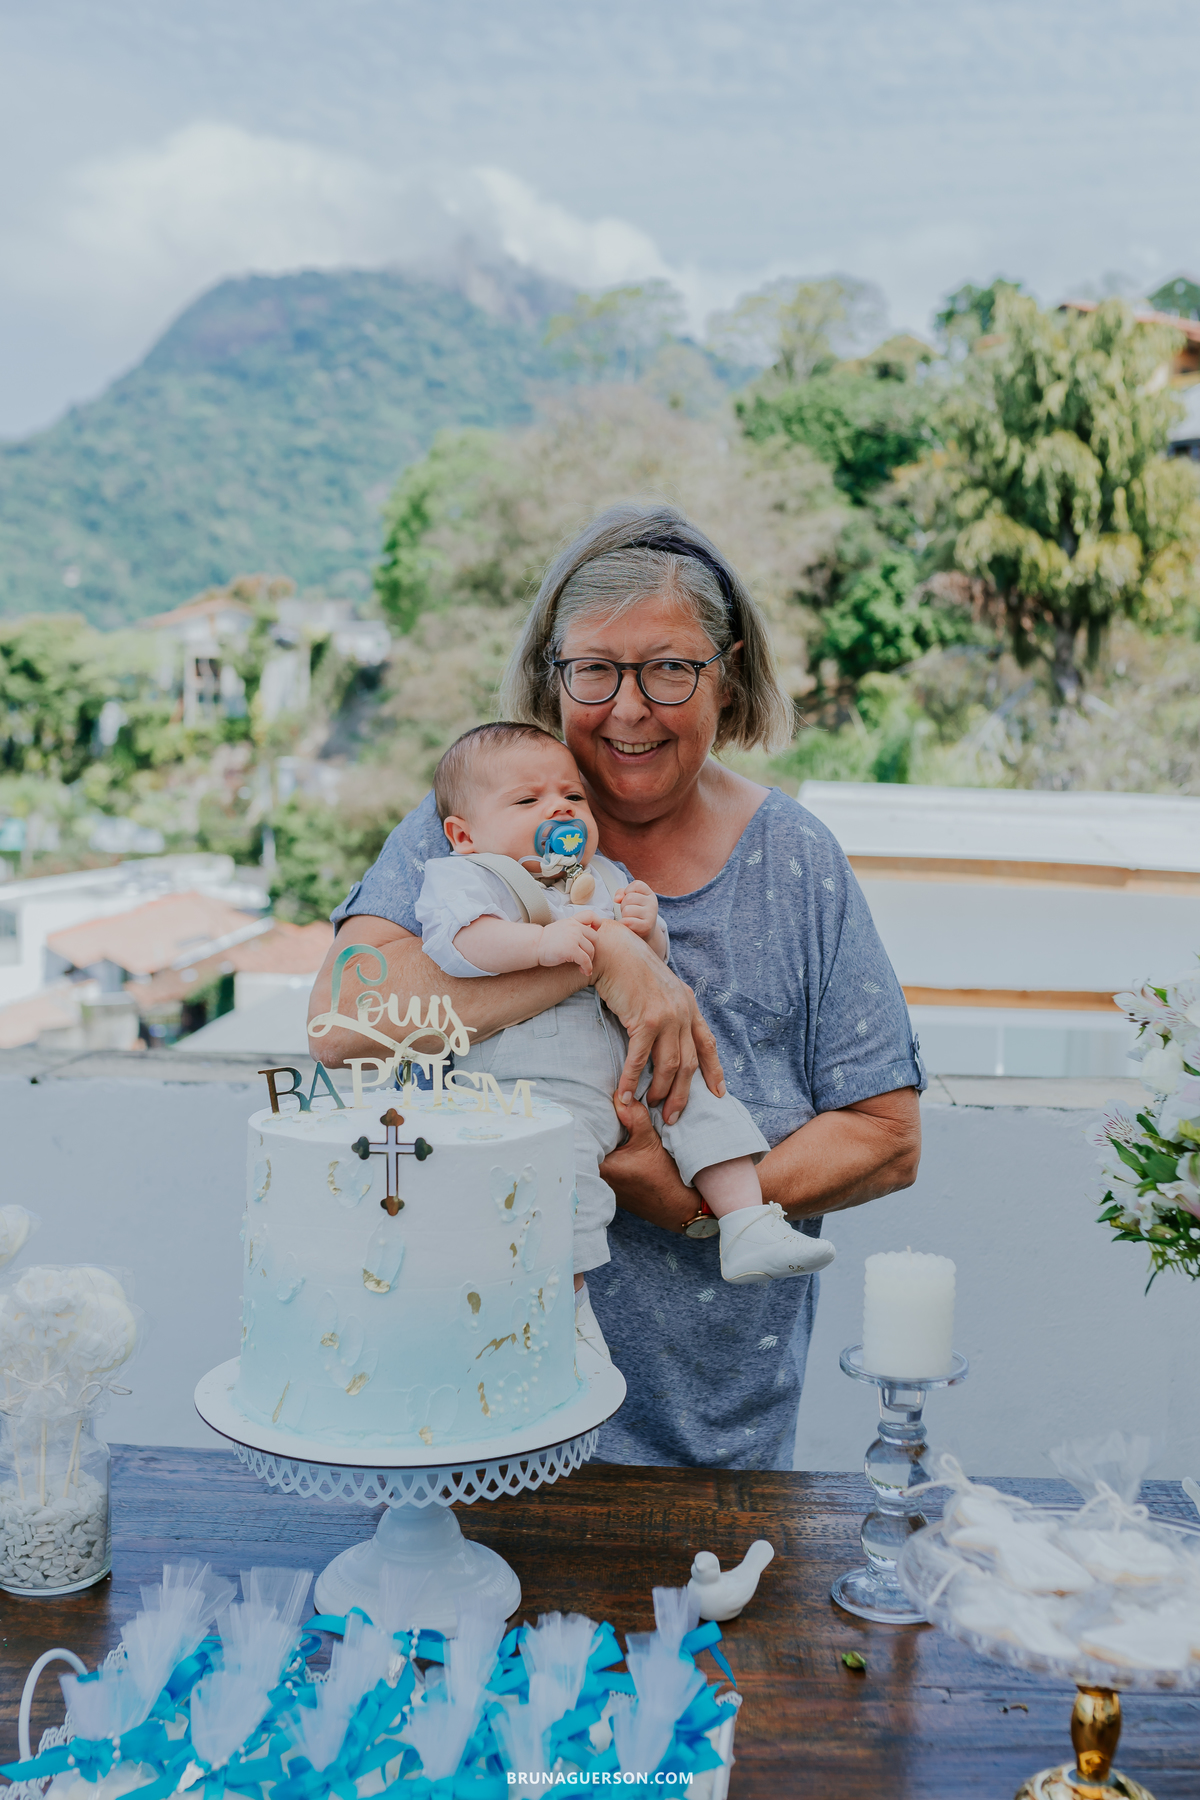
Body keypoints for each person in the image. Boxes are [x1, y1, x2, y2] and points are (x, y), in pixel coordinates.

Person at [309, 503, 924, 1470]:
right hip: (463, 1403)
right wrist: (605, 958)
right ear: (553, 675)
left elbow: (887, 1137)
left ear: (728, 673)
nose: (629, 707)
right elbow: (347, 1019)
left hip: (705, 1440)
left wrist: (685, 1197)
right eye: (594, 669)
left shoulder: (795, 860)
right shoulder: (475, 820)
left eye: (670, 667)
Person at [414, 718, 836, 1290]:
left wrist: (649, 929)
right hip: (538, 1080)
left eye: (572, 796)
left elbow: (652, 969)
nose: (559, 810)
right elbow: (460, 944)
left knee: (705, 1107)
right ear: (464, 835)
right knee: (558, 1184)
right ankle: (565, 1312)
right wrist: (540, 944)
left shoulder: (601, 874)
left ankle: (746, 1222)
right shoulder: (473, 877)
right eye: (528, 799)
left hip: (632, 1060)